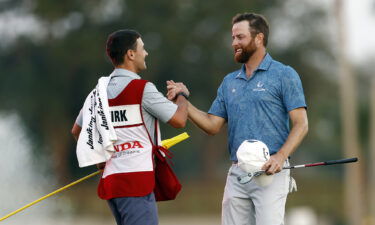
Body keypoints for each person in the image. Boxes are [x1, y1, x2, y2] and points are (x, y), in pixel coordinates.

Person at [167, 13, 308, 225]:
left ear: (259, 38)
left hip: (270, 171)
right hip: (238, 172)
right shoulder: (229, 81)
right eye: (233, 38)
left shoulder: (284, 74)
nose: (234, 43)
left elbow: (301, 124)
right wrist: (184, 103)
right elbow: (212, 125)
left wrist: (280, 156)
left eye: (240, 37)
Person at [71, 29, 189, 225]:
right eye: (143, 48)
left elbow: (77, 131)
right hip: (137, 182)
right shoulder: (143, 88)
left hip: (112, 184)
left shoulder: (96, 93)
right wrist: (183, 95)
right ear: (131, 54)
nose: (146, 53)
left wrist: (100, 158)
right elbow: (179, 120)